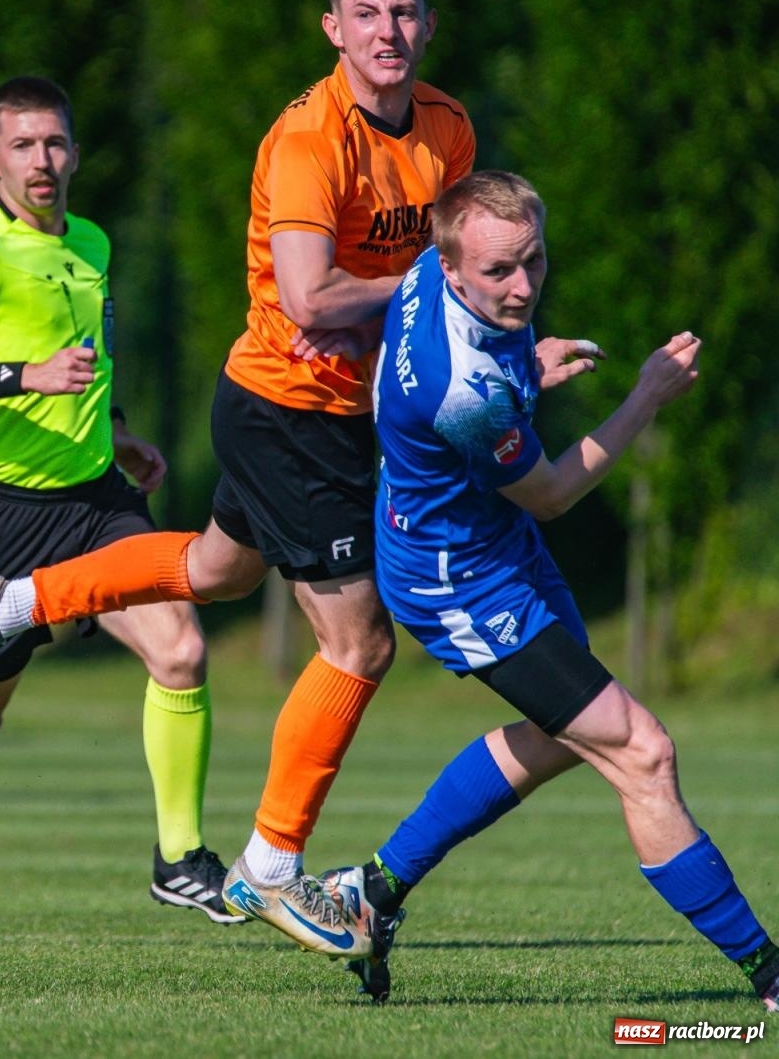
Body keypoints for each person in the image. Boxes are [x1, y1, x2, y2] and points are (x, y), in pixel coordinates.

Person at [0, 0, 491, 958]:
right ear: (333, 28)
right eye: (366, 12)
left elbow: (476, 268)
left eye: (404, 10)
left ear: (428, 24)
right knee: (359, 645)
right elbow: (312, 298)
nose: (387, 29)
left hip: (349, 413)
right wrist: (439, 283)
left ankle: (11, 603)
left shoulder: (448, 129)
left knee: (218, 574)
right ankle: (270, 868)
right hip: (286, 409)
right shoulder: (309, 140)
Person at [317, 169, 778, 1010]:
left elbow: (458, 374)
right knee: (643, 750)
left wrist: (525, 362)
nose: (523, 285)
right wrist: (647, 394)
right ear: (452, 267)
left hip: (491, 540)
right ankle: (770, 974)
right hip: (459, 578)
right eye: (499, 273)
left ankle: (373, 892)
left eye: (533, 261)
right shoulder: (463, 390)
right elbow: (556, 490)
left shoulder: (432, 272)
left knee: (568, 732)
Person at [0, 76, 242, 946]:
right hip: (1, 512)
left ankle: (179, 859)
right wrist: (23, 378)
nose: (43, 160)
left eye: (56, 143)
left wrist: (117, 428)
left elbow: (83, 362)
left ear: (75, 151)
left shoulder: (95, 243)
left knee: (181, 648)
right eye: (24, 146)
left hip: (99, 500)